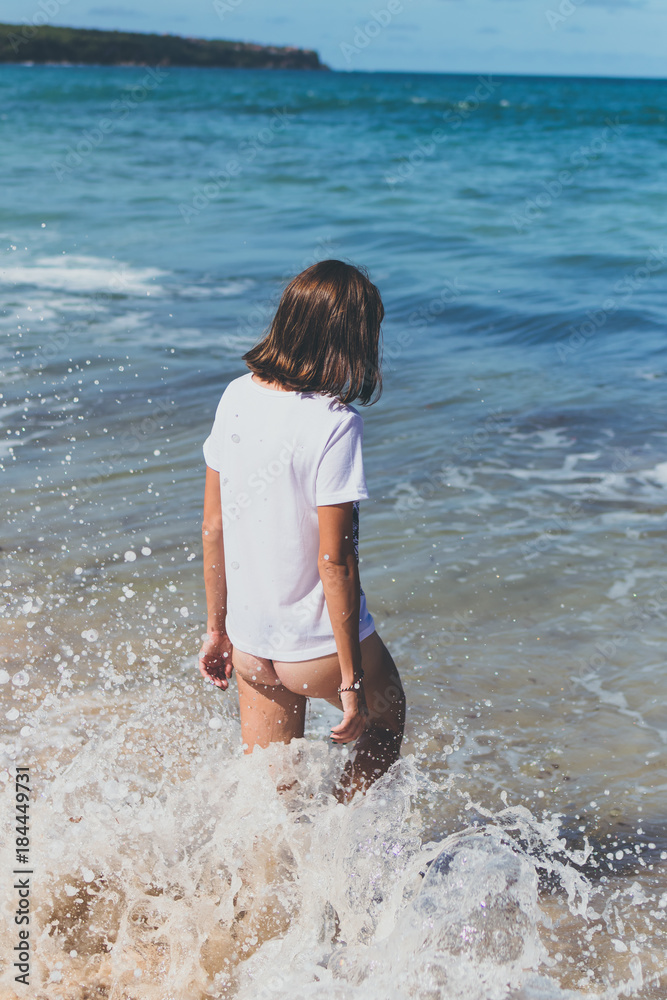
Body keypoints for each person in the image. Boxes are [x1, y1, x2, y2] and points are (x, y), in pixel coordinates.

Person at [197, 259, 405, 799]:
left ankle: (275, 878)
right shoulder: (334, 423)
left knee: (271, 801)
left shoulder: (236, 395)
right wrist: (352, 685)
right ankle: (337, 837)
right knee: (385, 725)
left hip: (251, 642)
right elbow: (335, 560)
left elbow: (213, 528)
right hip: (314, 651)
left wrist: (219, 630)